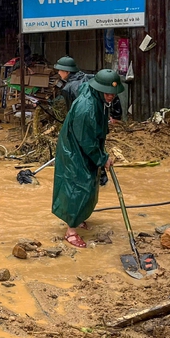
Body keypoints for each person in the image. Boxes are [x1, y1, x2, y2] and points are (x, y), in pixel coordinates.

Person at [52, 69, 122, 248]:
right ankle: (71, 231)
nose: (110, 97)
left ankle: (79, 217)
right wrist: (102, 158)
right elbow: (87, 140)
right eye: (107, 93)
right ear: (99, 89)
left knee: (90, 182)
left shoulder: (97, 97)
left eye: (112, 94)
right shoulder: (86, 107)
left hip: (84, 146)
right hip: (75, 149)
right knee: (77, 185)